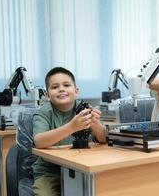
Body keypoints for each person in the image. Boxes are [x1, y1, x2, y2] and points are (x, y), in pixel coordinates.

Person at [32, 67, 106, 196]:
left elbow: (103, 139)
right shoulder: (43, 112)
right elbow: (39, 141)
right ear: (47, 95)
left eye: (66, 85)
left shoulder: (84, 109)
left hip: (81, 168)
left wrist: (95, 123)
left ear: (76, 91)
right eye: (55, 87)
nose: (61, 89)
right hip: (50, 171)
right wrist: (72, 127)